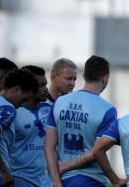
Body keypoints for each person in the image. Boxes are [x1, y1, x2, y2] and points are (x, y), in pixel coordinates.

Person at [45, 55, 117, 187]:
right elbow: (97, 151)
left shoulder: (59, 102)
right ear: (106, 77)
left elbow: (49, 147)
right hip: (91, 179)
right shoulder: (108, 110)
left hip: (62, 180)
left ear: (84, 76)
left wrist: (55, 181)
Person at [0, 69, 39, 187]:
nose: (22, 105)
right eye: (24, 99)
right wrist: (4, 172)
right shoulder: (7, 108)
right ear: (17, 89)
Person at [10, 65, 51, 187]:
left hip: (45, 180)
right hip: (20, 178)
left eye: (45, 84)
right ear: (27, 86)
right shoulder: (12, 112)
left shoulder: (50, 110)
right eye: (41, 85)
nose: (45, 89)